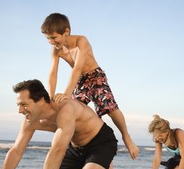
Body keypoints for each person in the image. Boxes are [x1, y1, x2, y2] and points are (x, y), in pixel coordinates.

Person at [41, 13, 139, 160]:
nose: (51, 42)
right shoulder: (56, 50)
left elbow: (77, 68)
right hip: (80, 82)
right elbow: (52, 73)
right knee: (74, 114)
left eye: (53, 37)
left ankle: (126, 137)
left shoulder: (82, 41)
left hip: (95, 76)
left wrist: (67, 93)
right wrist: (50, 96)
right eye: (48, 38)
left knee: (110, 109)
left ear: (66, 32)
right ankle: (92, 153)